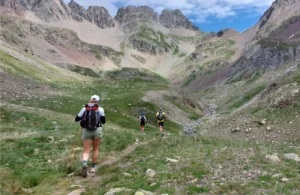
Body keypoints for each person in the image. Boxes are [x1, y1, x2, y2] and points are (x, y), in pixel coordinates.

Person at [75, 95, 105, 178]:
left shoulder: (85, 108)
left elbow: (76, 119)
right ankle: (93, 167)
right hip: (97, 130)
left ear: (90, 100)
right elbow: (103, 121)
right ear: (98, 101)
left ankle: (85, 163)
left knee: (86, 150)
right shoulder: (100, 109)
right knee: (95, 149)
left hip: (86, 131)